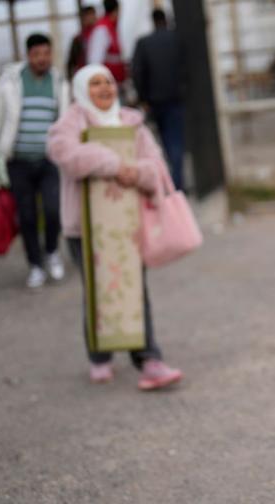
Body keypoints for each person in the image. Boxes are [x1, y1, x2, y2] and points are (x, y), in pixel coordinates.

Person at [46, 64, 183, 390]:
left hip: (128, 224)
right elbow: (63, 152)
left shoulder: (131, 123)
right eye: (95, 84)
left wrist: (135, 173)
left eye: (108, 82)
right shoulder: (72, 122)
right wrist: (113, 164)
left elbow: (156, 165)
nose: (104, 89)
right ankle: (99, 355)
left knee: (135, 286)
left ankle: (149, 359)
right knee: (96, 287)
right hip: (85, 227)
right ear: (81, 90)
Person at [0, 33, 70, 288]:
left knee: (53, 210)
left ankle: (51, 251)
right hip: (17, 161)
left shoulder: (59, 82)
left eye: (46, 54)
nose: (42, 59)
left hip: (49, 159)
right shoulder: (11, 82)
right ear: (28, 56)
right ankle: (35, 265)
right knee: (26, 216)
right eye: (37, 54)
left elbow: (66, 120)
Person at [132, 8, 186, 191]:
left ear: (153, 21)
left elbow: (137, 72)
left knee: (161, 143)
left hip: (154, 101)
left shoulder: (144, 43)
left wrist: (143, 98)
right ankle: (177, 184)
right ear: (166, 20)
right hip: (175, 99)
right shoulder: (177, 40)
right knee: (176, 142)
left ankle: (170, 183)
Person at [87, 0, 126, 96]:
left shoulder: (111, 27)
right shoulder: (102, 29)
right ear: (116, 10)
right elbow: (94, 61)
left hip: (116, 83)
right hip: (107, 88)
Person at [66, 6, 97, 78]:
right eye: (87, 15)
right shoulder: (78, 39)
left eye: (92, 15)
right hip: (83, 74)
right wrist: (71, 78)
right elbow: (71, 62)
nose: (90, 18)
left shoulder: (101, 35)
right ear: (82, 18)